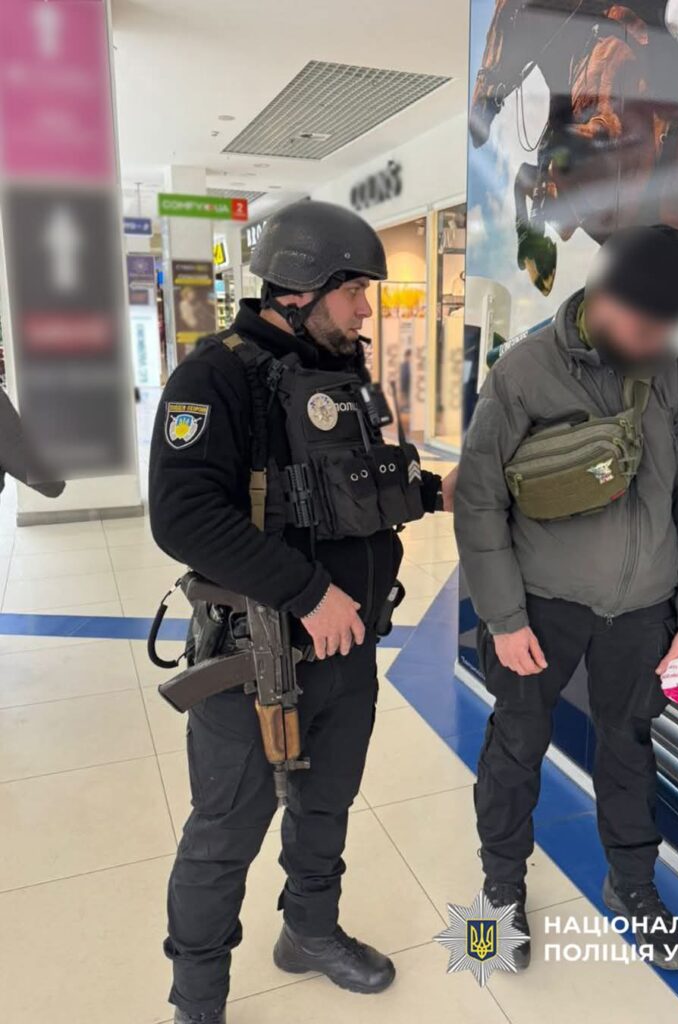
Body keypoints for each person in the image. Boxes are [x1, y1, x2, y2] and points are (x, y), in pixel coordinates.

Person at [149, 199, 445, 1024]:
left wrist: (430, 491)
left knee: (327, 804)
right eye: (354, 292)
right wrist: (308, 593)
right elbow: (182, 517)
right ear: (298, 289)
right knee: (224, 833)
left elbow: (353, 490)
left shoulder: (340, 372)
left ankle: (309, 932)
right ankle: (197, 998)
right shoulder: (215, 377)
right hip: (256, 657)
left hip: (347, 651)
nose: (365, 310)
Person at [454, 224, 678, 971]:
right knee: (516, 744)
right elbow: (478, 501)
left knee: (629, 746)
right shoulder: (524, 372)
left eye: (665, 329)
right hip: (540, 606)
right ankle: (501, 889)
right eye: (640, 325)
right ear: (603, 297)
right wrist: (503, 619)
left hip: (642, 612)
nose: (650, 342)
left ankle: (631, 884)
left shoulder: (677, 382)